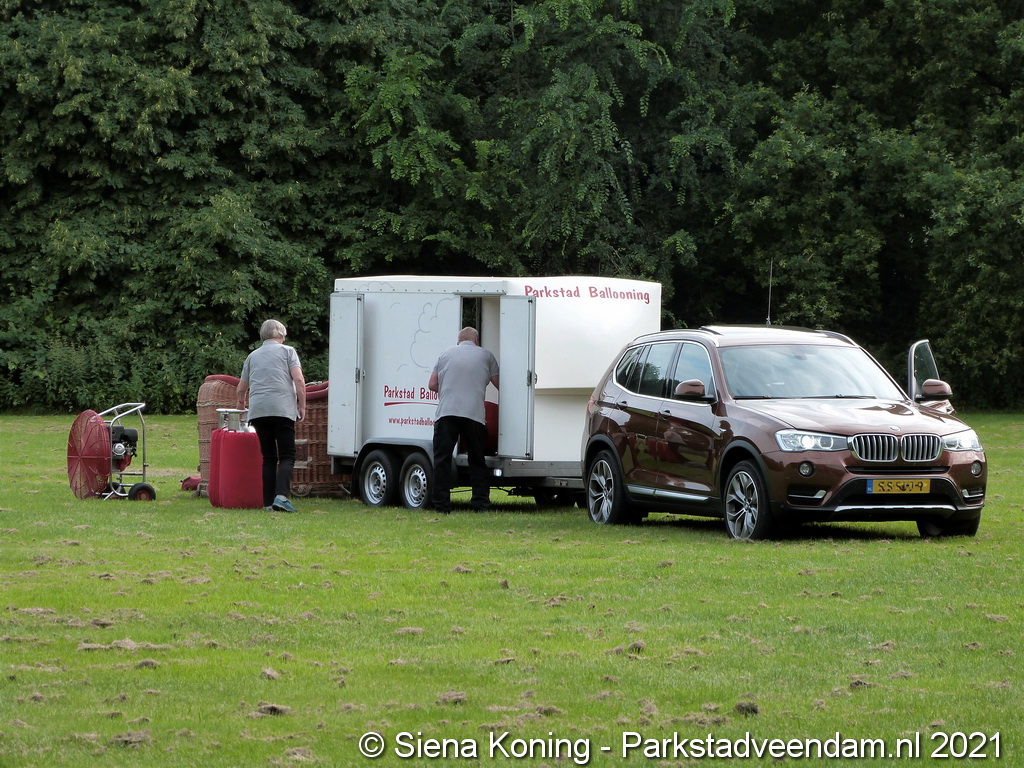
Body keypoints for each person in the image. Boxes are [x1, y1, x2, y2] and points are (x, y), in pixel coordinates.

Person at [236, 319, 306, 513]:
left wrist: (241, 405)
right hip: (282, 409)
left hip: (258, 411)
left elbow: (241, 388)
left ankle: (268, 503)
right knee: (287, 455)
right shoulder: (288, 352)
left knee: (268, 457)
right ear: (280, 335)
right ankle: (281, 496)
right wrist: (302, 406)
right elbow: (299, 380)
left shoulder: (252, 356)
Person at [428, 327, 499, 513]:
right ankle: (480, 505)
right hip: (474, 414)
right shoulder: (486, 355)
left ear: (458, 341)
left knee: (442, 460)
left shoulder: (445, 354)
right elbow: (500, 384)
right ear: (476, 340)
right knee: (477, 460)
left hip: (446, 413)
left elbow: (432, 384)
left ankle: (442, 506)